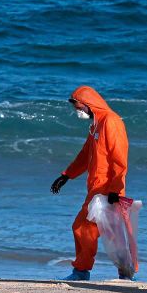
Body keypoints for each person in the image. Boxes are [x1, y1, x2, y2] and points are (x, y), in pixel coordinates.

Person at [50, 86, 130, 281]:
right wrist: (66, 175)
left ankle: (82, 271)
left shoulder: (110, 122)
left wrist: (115, 190)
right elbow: (86, 154)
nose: (78, 111)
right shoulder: (96, 124)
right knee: (111, 233)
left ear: (88, 104)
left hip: (107, 189)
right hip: (96, 189)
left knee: (84, 227)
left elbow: (120, 159)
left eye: (78, 107)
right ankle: (125, 274)